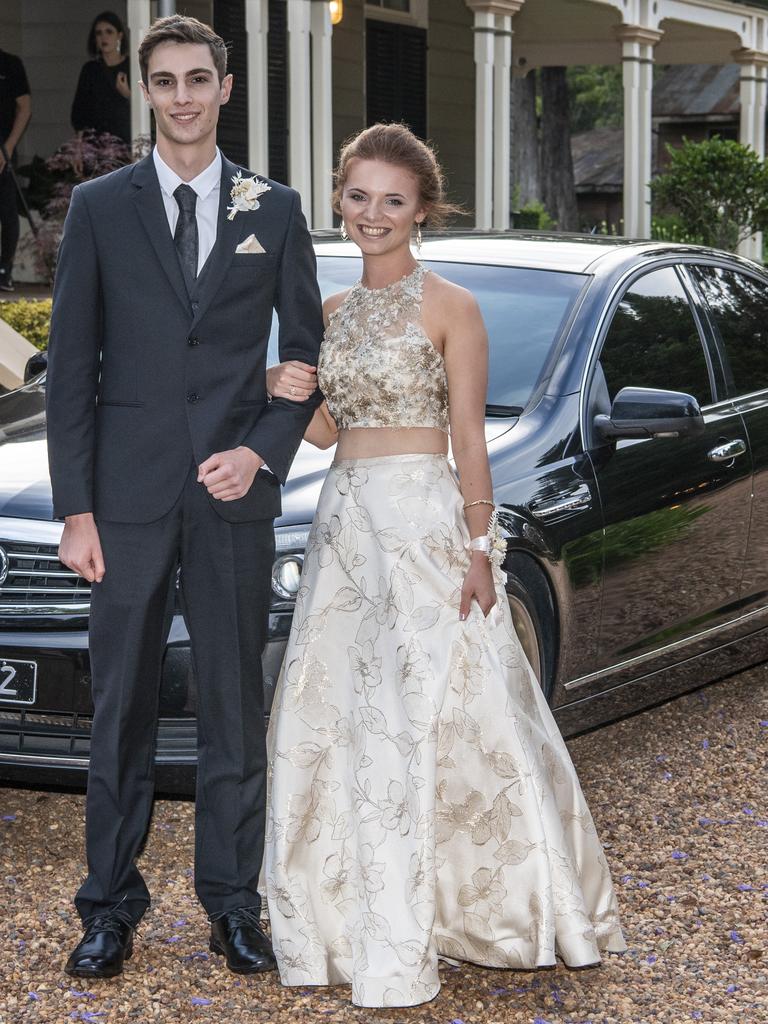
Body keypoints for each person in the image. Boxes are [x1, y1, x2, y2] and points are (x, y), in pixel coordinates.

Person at [264, 123, 626, 1008]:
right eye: (358, 196)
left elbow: (471, 439)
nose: (372, 214)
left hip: (423, 525)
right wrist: (281, 388)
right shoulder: (332, 311)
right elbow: (328, 430)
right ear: (339, 198)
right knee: (338, 715)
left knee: (441, 711)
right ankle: (347, 918)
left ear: (422, 210)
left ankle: (479, 908)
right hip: (345, 525)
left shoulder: (451, 305)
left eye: (393, 200)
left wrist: (479, 551)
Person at [46, 14, 322, 979]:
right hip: (122, 503)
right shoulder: (100, 209)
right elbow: (70, 368)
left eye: (198, 79)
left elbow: (306, 357)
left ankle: (233, 905)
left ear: (225, 88)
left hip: (233, 499)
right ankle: (109, 908)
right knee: (118, 706)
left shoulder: (274, 208)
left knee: (233, 708)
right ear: (146, 94)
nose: (182, 97)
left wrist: (263, 454)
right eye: (164, 82)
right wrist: (75, 509)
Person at [71, 11, 131, 144]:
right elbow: (80, 111)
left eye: (109, 32)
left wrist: (127, 94)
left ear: (119, 36)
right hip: (95, 145)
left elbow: (147, 107)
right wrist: (78, 146)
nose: (104, 37)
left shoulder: (132, 67)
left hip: (125, 143)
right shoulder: (91, 70)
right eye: (99, 33)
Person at [0, 46, 31, 292]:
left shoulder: (10, 63)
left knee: (7, 209)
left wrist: (8, 147)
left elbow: (25, 108)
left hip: (3, 150)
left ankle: (4, 270)